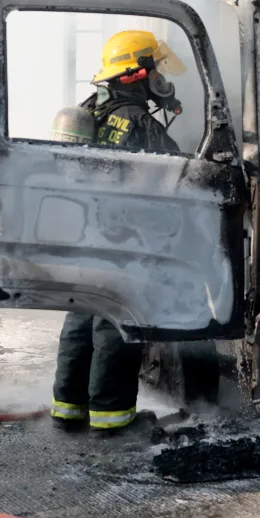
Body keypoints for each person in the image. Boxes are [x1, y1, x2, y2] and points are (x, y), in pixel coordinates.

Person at [50, 29, 187, 434]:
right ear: (134, 75)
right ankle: (112, 419)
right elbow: (177, 175)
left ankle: (68, 409)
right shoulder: (138, 121)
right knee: (116, 324)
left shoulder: (90, 108)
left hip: (83, 235)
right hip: (122, 239)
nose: (160, 79)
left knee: (81, 318)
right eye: (155, 70)